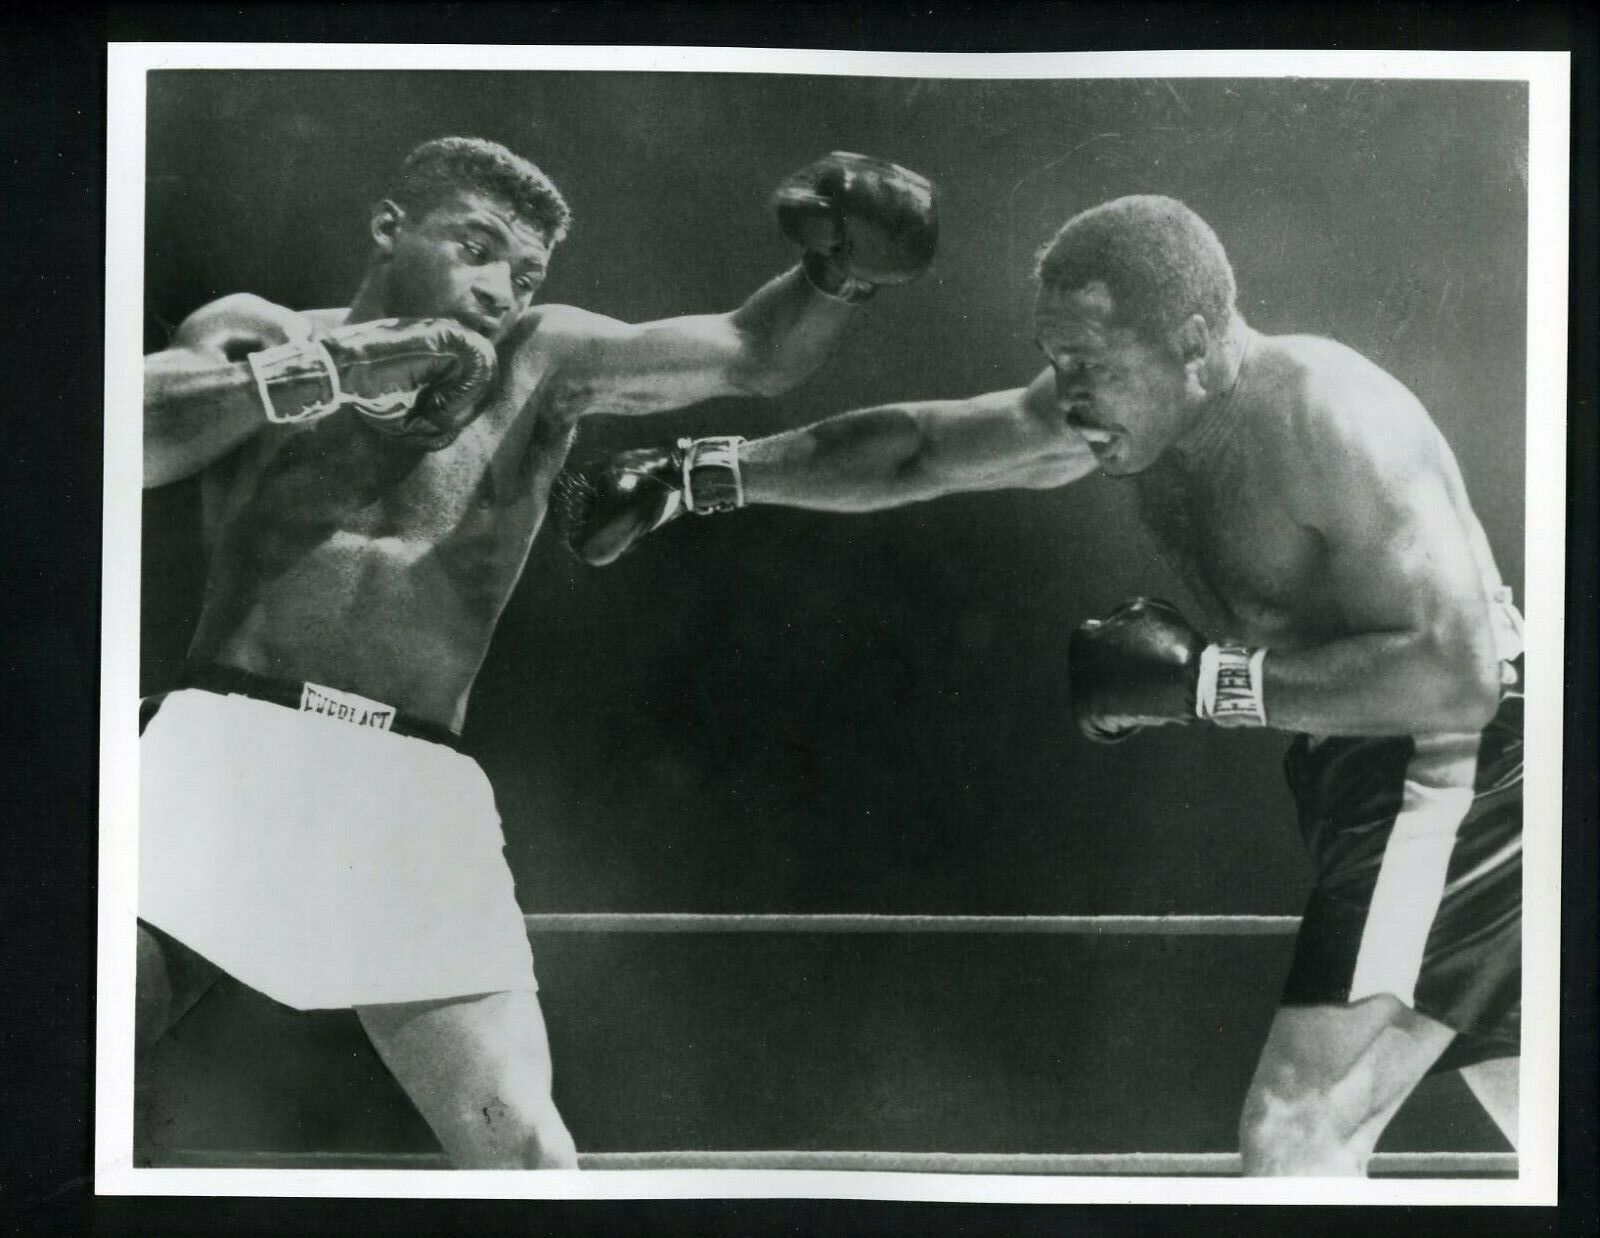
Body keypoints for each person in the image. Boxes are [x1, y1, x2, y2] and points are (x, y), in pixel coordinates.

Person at [552, 194, 1524, 1176]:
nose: (1070, 391)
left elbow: (1459, 673)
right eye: (1057, 360)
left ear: (1193, 338)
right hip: (1385, 776)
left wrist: (1205, 682)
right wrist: (696, 473)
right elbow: (919, 449)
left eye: (1093, 364)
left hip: (1459, 771)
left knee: (1298, 1131)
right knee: (1536, 1111)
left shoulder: (1326, 414)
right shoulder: (1132, 414)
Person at [138, 136, 938, 1168]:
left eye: (521, 272)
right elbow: (122, 432)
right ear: (390, 229)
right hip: (231, 748)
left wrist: (839, 271)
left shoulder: (541, 356)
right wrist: (322, 371)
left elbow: (752, 351)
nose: (497, 289)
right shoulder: (261, 331)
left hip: (409, 790)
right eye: (476, 249)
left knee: (526, 1156)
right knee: (73, 1058)